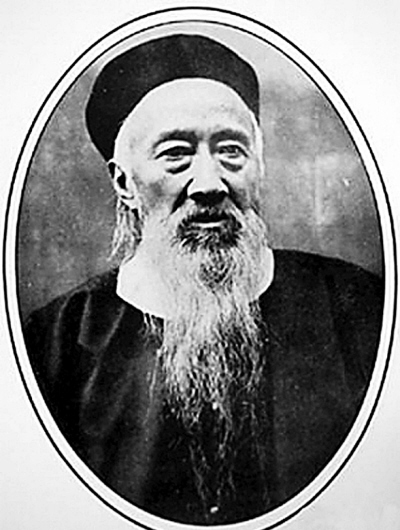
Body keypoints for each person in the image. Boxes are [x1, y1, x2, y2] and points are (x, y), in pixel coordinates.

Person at [23, 34, 383, 525]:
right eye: (176, 154)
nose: (210, 184)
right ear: (124, 183)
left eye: (231, 151)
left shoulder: (359, 309)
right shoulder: (54, 346)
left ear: (258, 166)